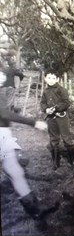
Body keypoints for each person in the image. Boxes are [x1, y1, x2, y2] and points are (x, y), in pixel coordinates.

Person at [0, 69, 59, 221]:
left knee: (15, 171)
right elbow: (4, 114)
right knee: (14, 171)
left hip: (4, 135)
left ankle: (35, 210)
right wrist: (33, 123)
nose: (3, 77)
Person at [40, 69, 74, 170]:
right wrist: (46, 109)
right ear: (45, 79)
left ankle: (73, 161)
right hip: (51, 119)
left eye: (53, 78)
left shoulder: (61, 90)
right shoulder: (45, 91)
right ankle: (55, 162)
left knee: (66, 138)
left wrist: (56, 108)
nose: (51, 80)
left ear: (57, 79)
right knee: (54, 139)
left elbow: (66, 103)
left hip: (61, 117)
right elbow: (42, 103)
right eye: (49, 78)